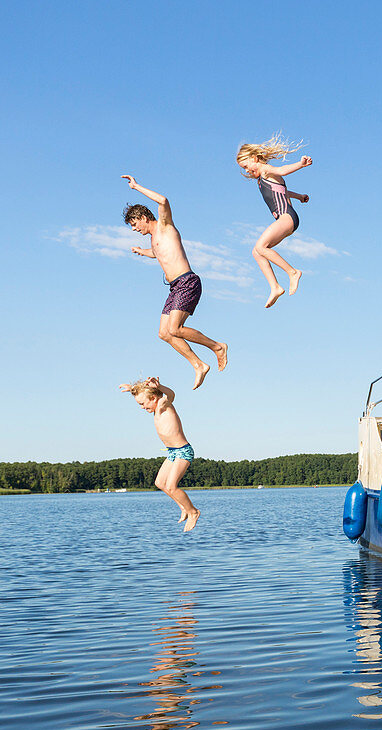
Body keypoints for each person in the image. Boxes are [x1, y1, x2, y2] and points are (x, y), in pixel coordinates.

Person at [123, 175, 228, 389]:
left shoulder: (164, 225)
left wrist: (136, 187)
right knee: (164, 333)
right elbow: (158, 253)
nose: (135, 229)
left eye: (135, 224)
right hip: (174, 288)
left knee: (176, 328)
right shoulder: (154, 239)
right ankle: (198, 365)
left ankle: (217, 346)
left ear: (143, 217)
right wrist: (141, 252)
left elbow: (163, 201)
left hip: (187, 282)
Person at [235, 135, 312, 307]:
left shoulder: (267, 170)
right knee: (257, 251)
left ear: (254, 158)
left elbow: (283, 170)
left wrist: (301, 164)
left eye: (246, 166)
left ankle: (292, 272)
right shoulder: (262, 180)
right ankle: (275, 287)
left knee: (261, 247)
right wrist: (299, 196)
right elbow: (282, 190)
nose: (247, 171)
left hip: (287, 217)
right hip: (286, 218)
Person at [120, 377, 201, 532]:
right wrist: (132, 389)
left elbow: (171, 395)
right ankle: (184, 507)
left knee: (171, 486)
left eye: (142, 404)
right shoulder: (154, 406)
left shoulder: (163, 405)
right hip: (172, 453)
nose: (142, 407)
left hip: (183, 451)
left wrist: (160, 386)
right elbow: (145, 394)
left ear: (154, 398)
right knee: (160, 483)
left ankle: (193, 512)